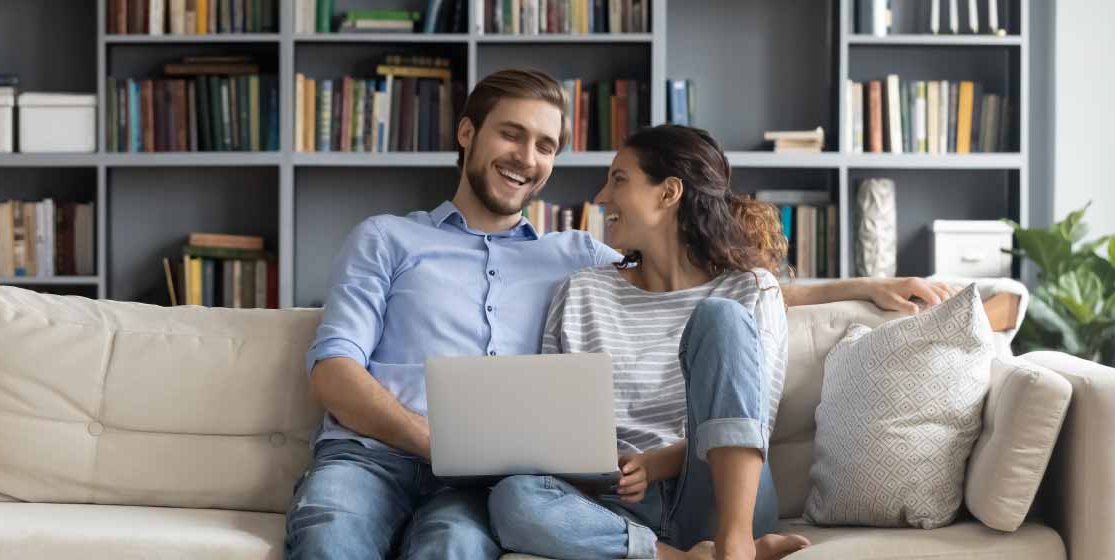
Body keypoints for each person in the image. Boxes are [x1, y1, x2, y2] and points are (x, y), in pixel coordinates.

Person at [285, 69, 958, 560]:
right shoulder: (389, 239)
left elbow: (697, 284)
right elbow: (333, 369)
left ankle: (719, 548)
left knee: (456, 546)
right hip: (373, 458)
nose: (529, 158)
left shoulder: (572, 255)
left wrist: (863, 286)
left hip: (489, 482)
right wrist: (440, 444)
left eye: (546, 145)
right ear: (468, 133)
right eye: (512, 135)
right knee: (331, 534)